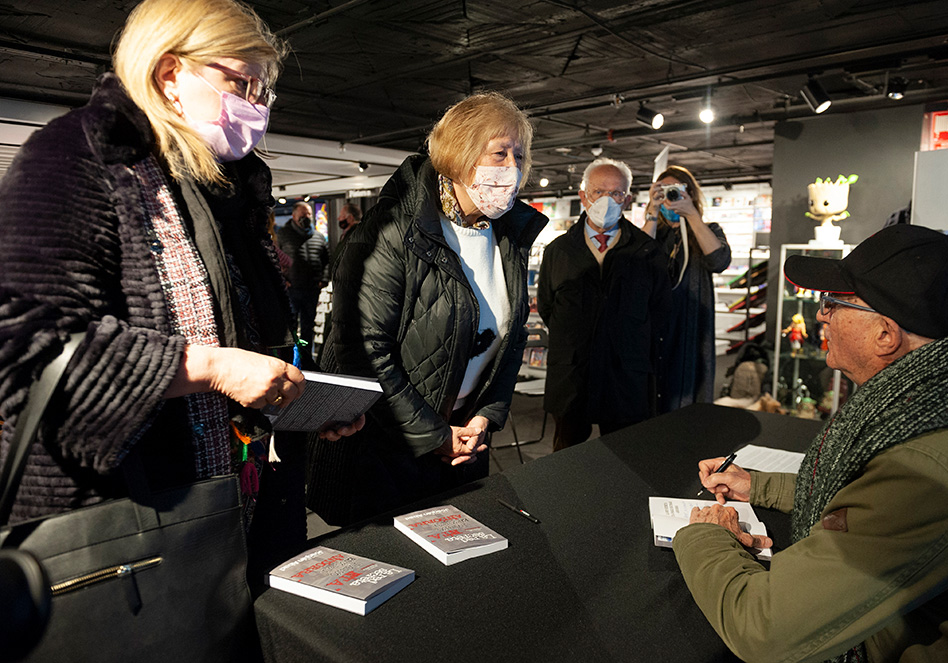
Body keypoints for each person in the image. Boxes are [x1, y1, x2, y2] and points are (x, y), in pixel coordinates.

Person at [0, 0, 361, 587]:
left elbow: (247, 326)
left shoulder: (230, 186)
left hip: (240, 504)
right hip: (126, 529)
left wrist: (301, 397)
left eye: (264, 91)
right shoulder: (76, 158)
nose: (256, 107)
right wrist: (210, 368)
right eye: (241, 82)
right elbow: (27, 350)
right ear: (170, 75)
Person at [674, 224, 948, 663]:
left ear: (885, 334)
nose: (822, 315)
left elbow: (765, 629)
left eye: (833, 303)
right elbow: (870, 500)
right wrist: (760, 486)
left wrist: (707, 536)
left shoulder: (928, 472)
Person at [307, 92, 548, 525]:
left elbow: (512, 340)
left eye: (520, 154)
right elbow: (364, 352)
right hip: (386, 452)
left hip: (463, 446)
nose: (511, 167)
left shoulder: (508, 237)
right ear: (458, 153)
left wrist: (486, 417)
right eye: (499, 152)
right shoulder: (390, 231)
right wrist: (434, 435)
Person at [537, 158, 671, 451]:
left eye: (617, 193)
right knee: (566, 457)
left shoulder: (647, 252)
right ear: (583, 195)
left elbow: (660, 311)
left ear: (628, 199)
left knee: (628, 458)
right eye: (599, 192)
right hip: (573, 374)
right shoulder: (558, 251)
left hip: (626, 374)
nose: (607, 200)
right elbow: (548, 307)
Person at [643, 165, 731, 412]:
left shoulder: (707, 230)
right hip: (656, 327)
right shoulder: (655, 234)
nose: (670, 198)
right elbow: (636, 262)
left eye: (675, 191)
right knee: (652, 399)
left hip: (690, 328)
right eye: (664, 191)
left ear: (690, 193)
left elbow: (719, 261)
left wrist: (691, 215)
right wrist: (652, 210)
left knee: (688, 398)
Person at [277, 201, 330, 356]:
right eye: (302, 215)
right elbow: (275, 259)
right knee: (291, 325)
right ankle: (290, 356)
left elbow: (327, 260)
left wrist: (323, 280)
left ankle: (307, 357)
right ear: (294, 216)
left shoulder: (318, 236)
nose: (306, 218)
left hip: (312, 289)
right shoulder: (284, 234)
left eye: (308, 215)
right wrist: (282, 280)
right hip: (292, 288)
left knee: (308, 326)